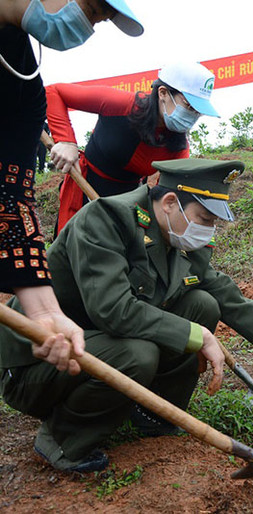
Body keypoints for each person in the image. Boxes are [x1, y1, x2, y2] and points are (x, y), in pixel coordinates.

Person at [0, 158, 253, 473]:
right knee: (140, 353)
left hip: (98, 343)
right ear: (169, 203)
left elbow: (230, 300)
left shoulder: (180, 237)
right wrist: (200, 336)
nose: (208, 230)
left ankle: (153, 413)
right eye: (203, 219)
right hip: (41, 364)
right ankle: (62, 440)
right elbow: (113, 310)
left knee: (203, 304)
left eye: (214, 222)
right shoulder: (105, 220)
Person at [0, 1, 142, 373]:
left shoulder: (23, 86)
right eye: (92, 8)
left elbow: (11, 197)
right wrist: (66, 139)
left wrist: (44, 311)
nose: (88, 27)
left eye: (99, 20)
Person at [47, 61, 220, 234]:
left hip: (126, 207)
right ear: (163, 93)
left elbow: (167, 196)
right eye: (189, 106)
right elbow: (54, 92)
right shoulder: (121, 104)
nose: (193, 116)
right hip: (83, 188)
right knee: (72, 251)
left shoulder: (178, 148)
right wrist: (66, 141)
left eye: (198, 111)